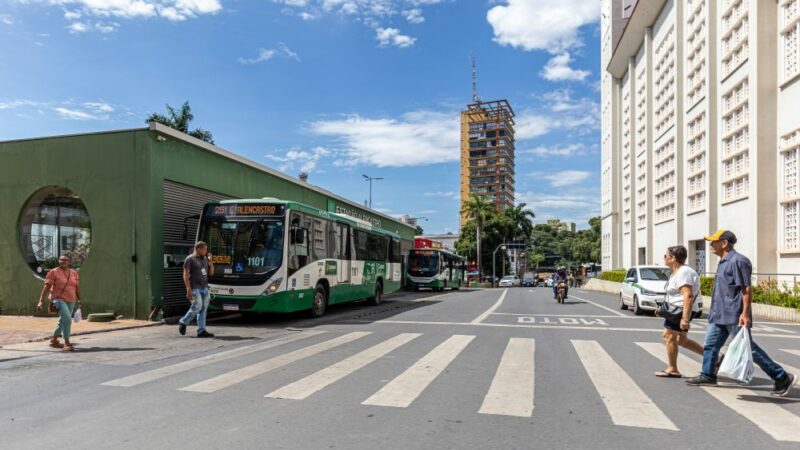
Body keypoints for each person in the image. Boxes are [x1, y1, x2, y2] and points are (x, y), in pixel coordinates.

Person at [686, 230, 796, 396]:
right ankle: (707, 375)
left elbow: (746, 289)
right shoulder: (723, 261)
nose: (711, 245)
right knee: (710, 346)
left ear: (724, 243)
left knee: (749, 349)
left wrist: (745, 313)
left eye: (714, 241)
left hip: (734, 315)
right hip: (718, 314)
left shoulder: (738, 261)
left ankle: (782, 377)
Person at [655, 245, 704, 378]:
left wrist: (685, 318)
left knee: (668, 336)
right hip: (677, 310)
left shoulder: (684, 272)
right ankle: (713, 358)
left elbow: (688, 295)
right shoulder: (677, 272)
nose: (664, 258)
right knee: (682, 340)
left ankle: (672, 369)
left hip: (680, 311)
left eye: (666, 256)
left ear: (673, 258)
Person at [36, 255, 81, 352]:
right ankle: (67, 343)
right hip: (58, 299)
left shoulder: (74, 273)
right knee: (68, 319)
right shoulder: (53, 272)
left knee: (63, 320)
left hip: (71, 299)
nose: (63, 261)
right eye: (61, 260)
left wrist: (79, 299)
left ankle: (54, 340)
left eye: (65, 260)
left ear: (69, 262)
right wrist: (40, 301)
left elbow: (76, 287)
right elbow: (46, 288)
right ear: (58, 261)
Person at [178, 241, 215, 338]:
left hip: (205, 288)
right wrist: (188, 288)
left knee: (203, 309)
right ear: (198, 249)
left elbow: (210, 273)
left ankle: (201, 331)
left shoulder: (205, 259)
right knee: (197, 306)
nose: (206, 251)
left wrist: (211, 262)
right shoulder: (190, 259)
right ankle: (183, 322)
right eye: (204, 249)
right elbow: (185, 274)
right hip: (194, 288)